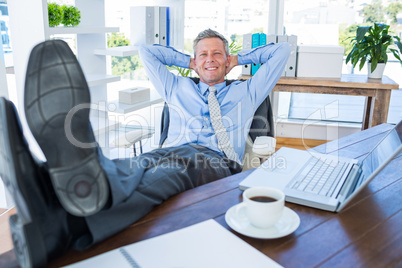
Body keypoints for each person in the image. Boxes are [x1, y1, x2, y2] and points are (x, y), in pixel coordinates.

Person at [0, 29, 289, 267]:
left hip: (219, 163)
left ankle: (54, 211)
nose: (210, 59)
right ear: (194, 61)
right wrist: (189, 61)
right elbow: (146, 52)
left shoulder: (248, 91)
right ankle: (49, 203)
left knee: (177, 169)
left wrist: (236, 57)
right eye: (203, 54)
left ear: (228, 61)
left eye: (218, 54)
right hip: (169, 151)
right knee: (139, 166)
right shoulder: (176, 87)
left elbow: (281, 52)